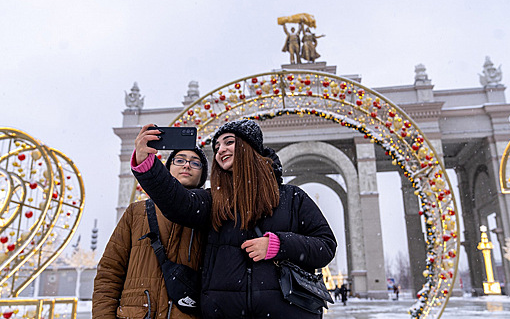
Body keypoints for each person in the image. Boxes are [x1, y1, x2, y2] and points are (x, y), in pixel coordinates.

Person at [132, 119, 337, 318]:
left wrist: (278, 245)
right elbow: (178, 202)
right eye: (217, 146)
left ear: (249, 147)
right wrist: (147, 165)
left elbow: (325, 246)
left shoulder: (292, 198)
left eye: (229, 142)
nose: (221, 149)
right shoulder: (214, 201)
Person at [92, 147, 208, 319]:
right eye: (180, 160)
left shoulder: (210, 215)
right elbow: (110, 272)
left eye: (195, 163)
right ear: (167, 168)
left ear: (203, 175)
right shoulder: (137, 212)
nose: (187, 166)